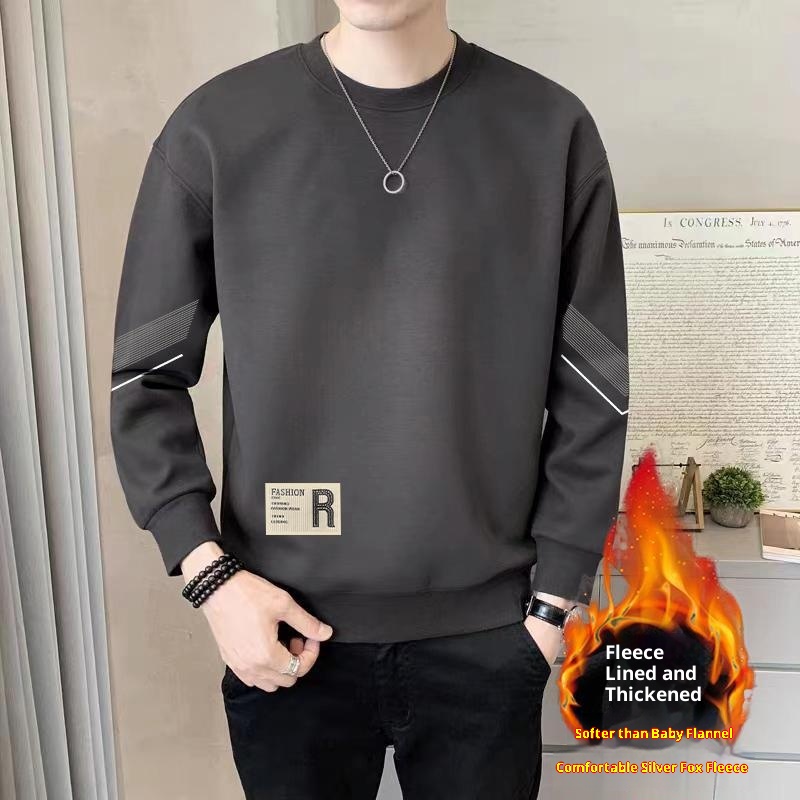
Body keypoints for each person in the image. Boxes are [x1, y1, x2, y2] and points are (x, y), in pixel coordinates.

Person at [110, 1, 629, 797]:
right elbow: (143, 375)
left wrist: (555, 602)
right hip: (283, 628)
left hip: (489, 638)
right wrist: (210, 578)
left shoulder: (550, 130)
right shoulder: (216, 128)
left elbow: (595, 382)